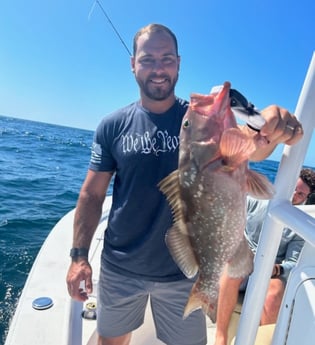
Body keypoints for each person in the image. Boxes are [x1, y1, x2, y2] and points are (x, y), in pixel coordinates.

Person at [66, 23, 303, 345]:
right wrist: (79, 256)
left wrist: (270, 125)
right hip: (119, 267)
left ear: (178, 62)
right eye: (148, 59)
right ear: (133, 63)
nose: (158, 68)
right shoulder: (112, 125)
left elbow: (253, 146)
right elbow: (92, 194)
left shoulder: (202, 119)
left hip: (183, 274)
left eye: (166, 58)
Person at [214, 168, 315, 345]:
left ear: (307, 197)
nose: (294, 195)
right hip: (244, 260)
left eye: (301, 194)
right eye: (293, 188)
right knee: (233, 269)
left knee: (274, 293)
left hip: (272, 273)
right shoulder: (254, 201)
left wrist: (274, 268)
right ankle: (220, 337)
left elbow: (292, 263)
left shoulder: (299, 223)